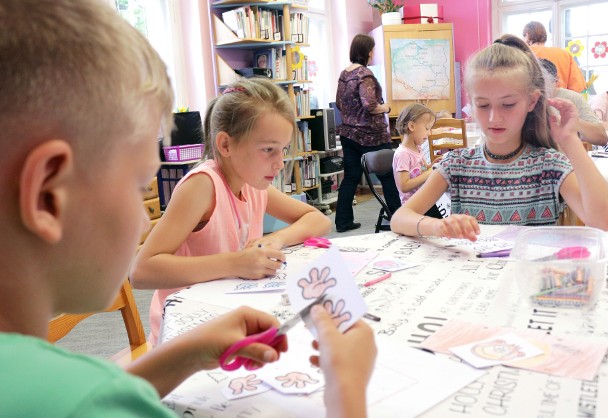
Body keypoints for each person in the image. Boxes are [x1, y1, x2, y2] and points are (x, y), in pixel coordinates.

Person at [0, 1, 375, 416]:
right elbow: (141, 277)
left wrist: (187, 354)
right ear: (49, 195)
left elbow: (104, 396)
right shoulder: (79, 402)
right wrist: (348, 389)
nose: (146, 217)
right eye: (137, 183)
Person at [130, 78, 331, 345]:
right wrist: (236, 263)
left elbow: (317, 219)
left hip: (230, 312)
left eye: (282, 150)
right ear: (225, 145)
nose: (280, 163)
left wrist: (275, 239)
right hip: (188, 332)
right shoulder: (202, 186)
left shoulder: (252, 184)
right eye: (268, 150)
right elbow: (142, 272)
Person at [390, 34, 608, 241]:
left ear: (531, 101)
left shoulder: (549, 165)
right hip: (475, 279)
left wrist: (570, 140)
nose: (493, 118)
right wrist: (438, 226)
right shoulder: (457, 163)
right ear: (471, 102)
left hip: (527, 280)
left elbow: (605, 221)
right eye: (482, 105)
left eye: (508, 105)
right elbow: (400, 218)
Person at [334, 33, 401, 233]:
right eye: (372, 49)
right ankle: (398, 219)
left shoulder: (344, 74)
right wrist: (386, 108)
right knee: (388, 176)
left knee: (351, 177)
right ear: (368, 51)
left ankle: (343, 222)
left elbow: (339, 103)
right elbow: (370, 105)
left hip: (348, 134)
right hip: (371, 135)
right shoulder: (365, 75)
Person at [539, 59, 608, 146]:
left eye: (545, 83)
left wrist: (573, 121)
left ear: (556, 81)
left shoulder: (572, 98)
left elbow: (601, 138)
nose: (540, 89)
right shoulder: (525, 101)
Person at [392, 103, 443, 219]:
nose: (429, 133)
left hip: (423, 199)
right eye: (426, 129)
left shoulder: (418, 148)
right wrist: (430, 173)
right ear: (411, 126)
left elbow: (421, 170)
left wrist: (431, 165)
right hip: (413, 207)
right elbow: (404, 186)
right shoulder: (403, 154)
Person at [523, 21, 587, 93]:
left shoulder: (523, 54)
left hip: (532, 102)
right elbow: (578, 88)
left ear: (527, 35)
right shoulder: (565, 54)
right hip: (560, 101)